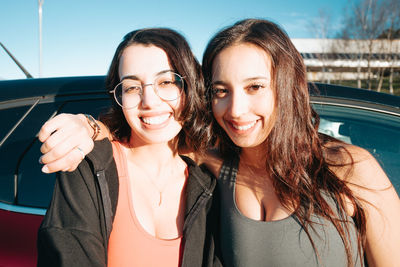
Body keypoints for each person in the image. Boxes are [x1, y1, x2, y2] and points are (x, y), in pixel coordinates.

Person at [38, 19, 400, 266]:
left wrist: (88, 125)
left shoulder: (351, 168)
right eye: (221, 91)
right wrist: (87, 126)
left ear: (288, 86)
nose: (236, 109)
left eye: (255, 87)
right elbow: (144, 133)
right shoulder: (216, 164)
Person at [37, 28, 222, 267]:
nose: (149, 101)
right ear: (119, 96)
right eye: (132, 87)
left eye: (166, 82)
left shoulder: (209, 183)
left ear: (190, 87)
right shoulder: (89, 167)